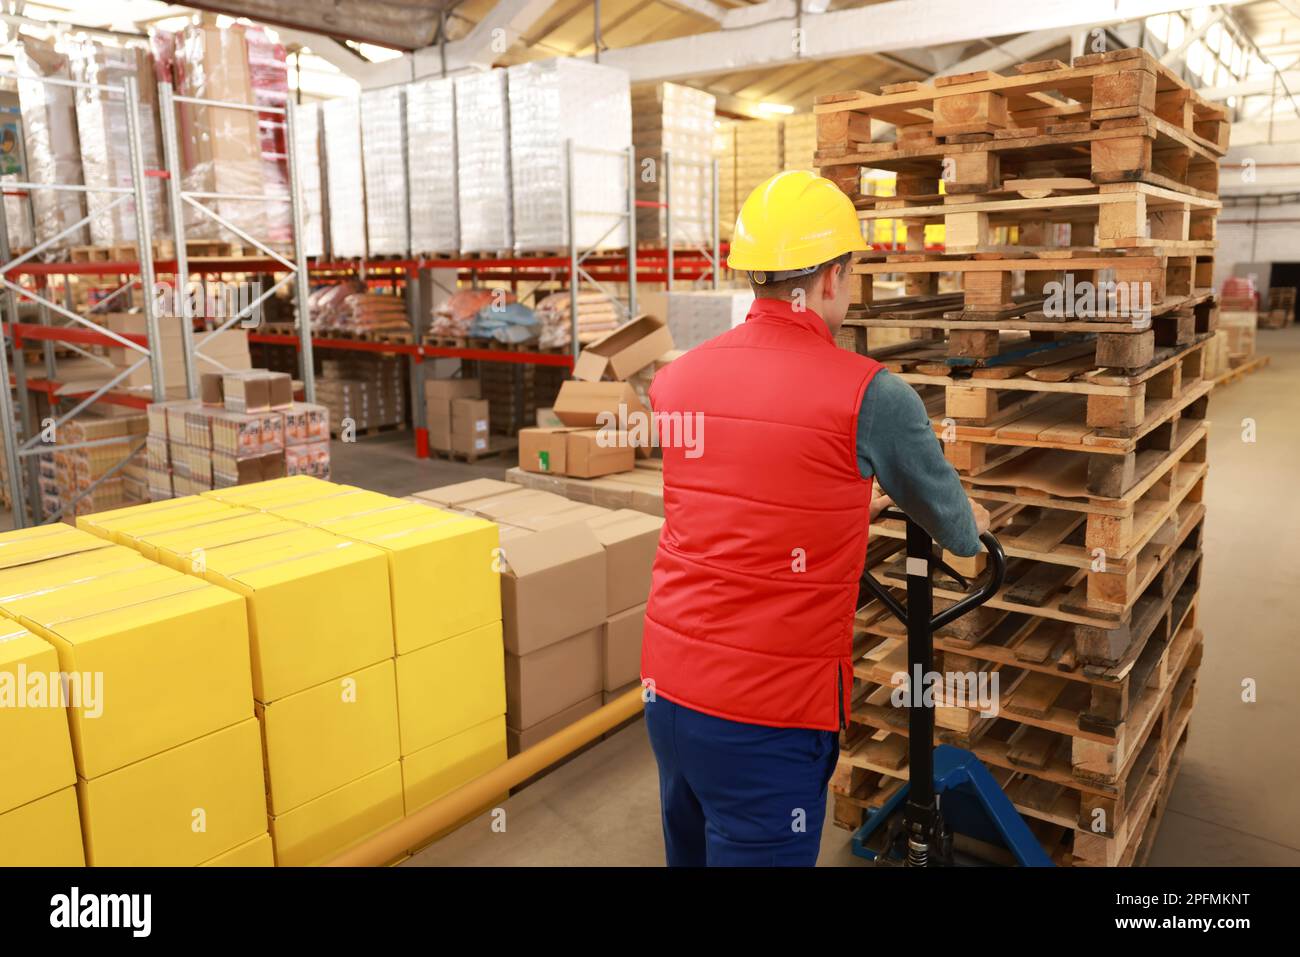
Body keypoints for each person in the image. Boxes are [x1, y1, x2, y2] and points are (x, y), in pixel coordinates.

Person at [641, 169, 990, 866]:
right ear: (832, 278)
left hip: (668, 692)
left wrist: (847, 497)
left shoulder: (675, 380)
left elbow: (741, 495)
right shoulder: (872, 395)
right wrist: (969, 515)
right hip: (767, 718)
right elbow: (958, 532)